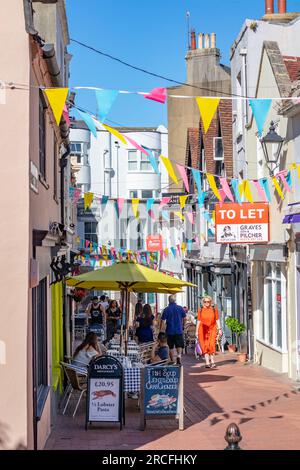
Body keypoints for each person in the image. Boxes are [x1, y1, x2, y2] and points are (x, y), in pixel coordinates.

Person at [197, 296, 223, 369]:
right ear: (203, 302)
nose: (206, 303)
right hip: (202, 330)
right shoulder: (200, 310)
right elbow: (198, 321)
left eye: (208, 302)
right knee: (204, 345)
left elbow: (217, 319)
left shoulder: (214, 309)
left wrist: (220, 329)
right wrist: (196, 331)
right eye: (205, 302)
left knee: (211, 344)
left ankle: (212, 361)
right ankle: (207, 362)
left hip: (212, 329)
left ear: (210, 302)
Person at [160, 295, 186, 365]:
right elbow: (184, 318)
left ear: (169, 300)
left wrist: (161, 330)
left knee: (170, 346)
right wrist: (183, 325)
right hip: (179, 330)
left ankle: (172, 360)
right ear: (175, 300)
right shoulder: (180, 308)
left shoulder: (166, 309)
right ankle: (179, 356)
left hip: (169, 330)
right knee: (179, 344)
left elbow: (162, 321)